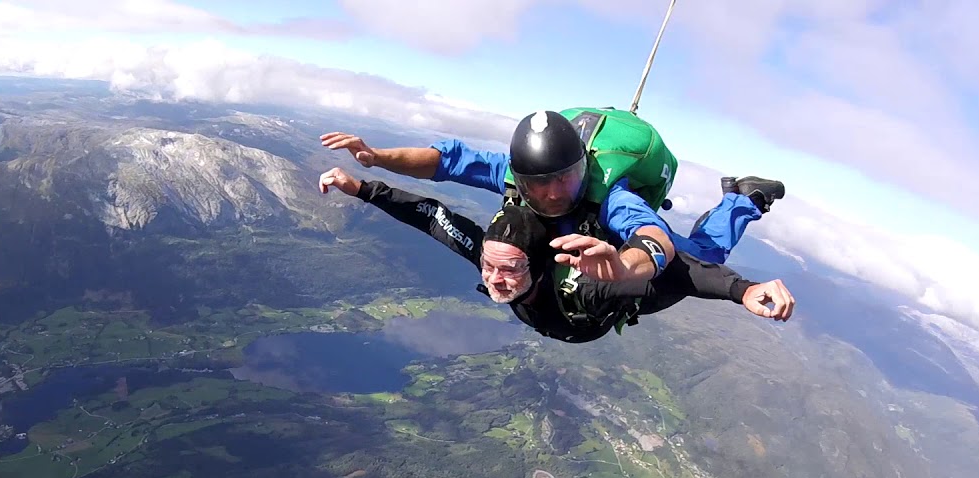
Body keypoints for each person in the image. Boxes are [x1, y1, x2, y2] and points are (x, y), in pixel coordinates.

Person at [317, 166, 795, 344]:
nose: (495, 279)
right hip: (587, 293)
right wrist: (361, 188)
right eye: (490, 265)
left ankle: (746, 199)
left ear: (536, 262)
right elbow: (430, 216)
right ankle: (738, 199)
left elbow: (680, 274)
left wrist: (744, 289)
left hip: (627, 290)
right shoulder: (490, 256)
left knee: (699, 250)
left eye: (508, 268)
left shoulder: (587, 283)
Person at [321, 109, 785, 265]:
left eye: (564, 179)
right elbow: (448, 160)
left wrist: (628, 268)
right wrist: (377, 157)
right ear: (520, 177)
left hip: (622, 208)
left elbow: (651, 234)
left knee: (702, 257)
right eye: (536, 183)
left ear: (582, 168)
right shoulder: (511, 170)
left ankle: (744, 198)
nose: (550, 193)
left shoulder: (609, 195)